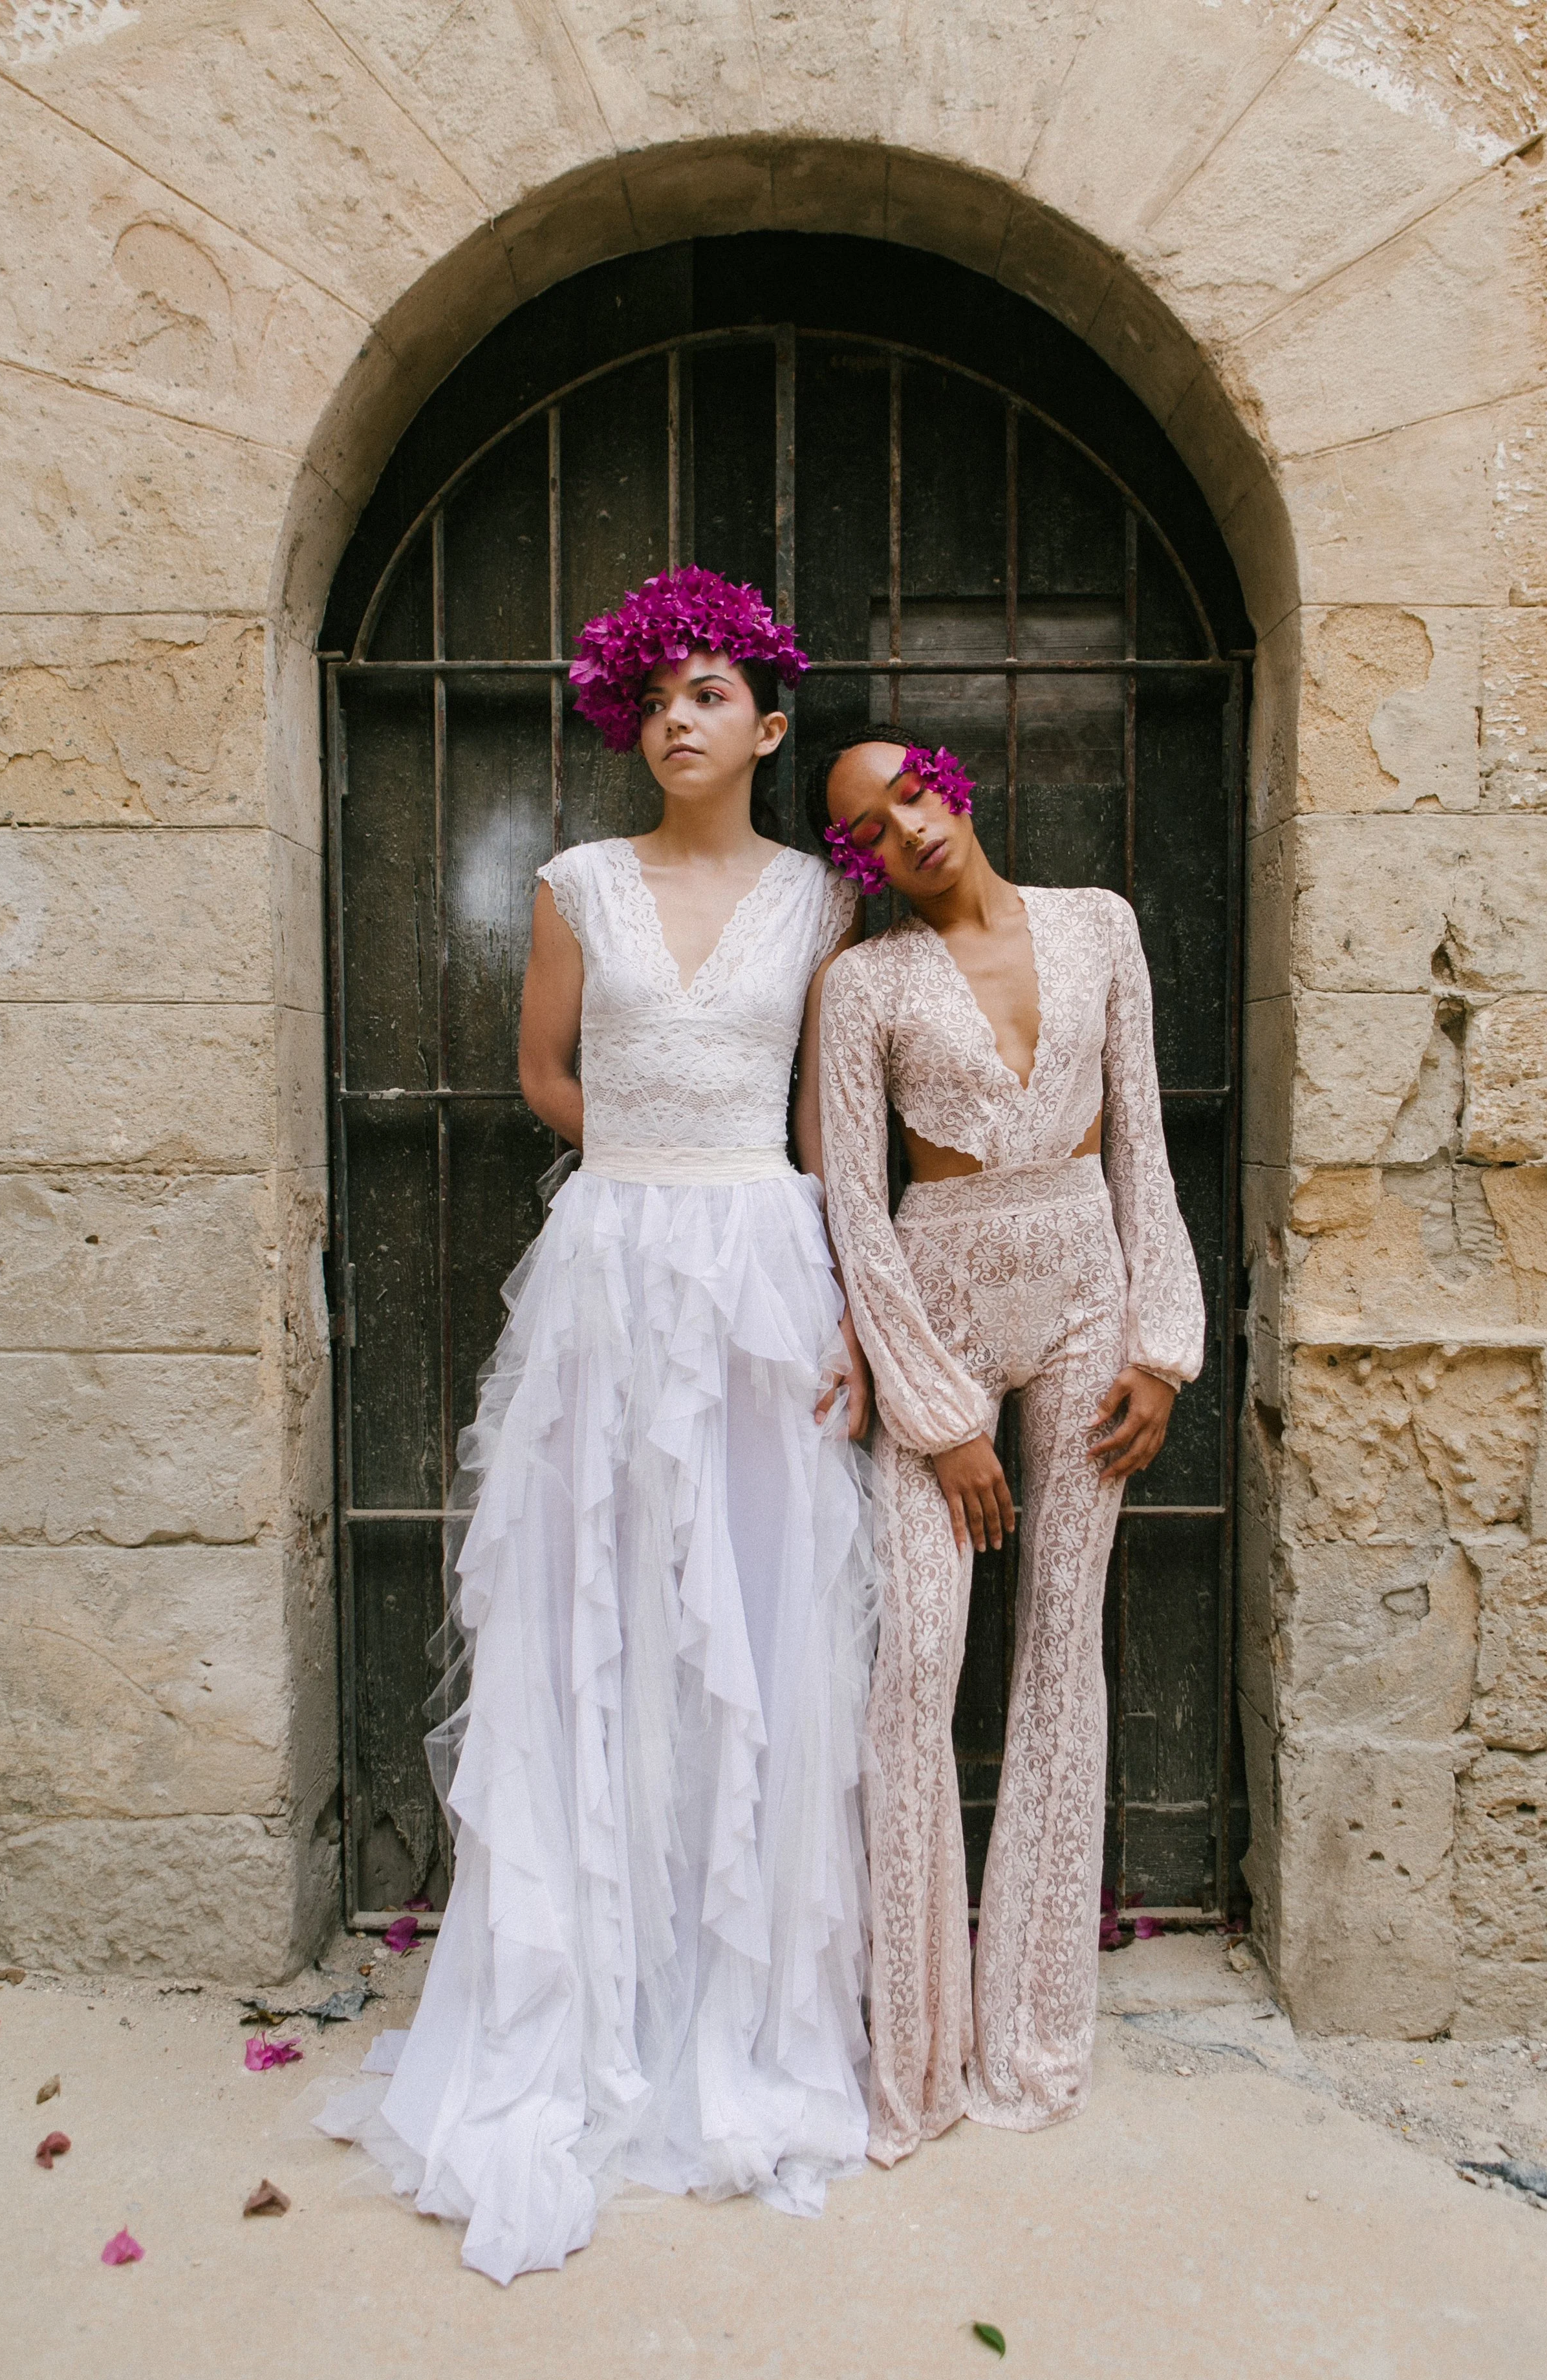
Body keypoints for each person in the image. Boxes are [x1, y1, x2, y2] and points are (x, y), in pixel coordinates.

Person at [319, 570, 875, 2282]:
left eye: (707, 694)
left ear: (768, 726)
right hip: (611, 1268)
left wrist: (832, 1283)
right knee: (594, 1604)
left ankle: (736, 1998)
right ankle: (589, 1998)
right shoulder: (576, 884)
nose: (674, 720)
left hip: (767, 1268)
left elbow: (822, 1118)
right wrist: (641, 1173)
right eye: (653, 698)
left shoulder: (820, 901)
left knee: (752, 1614)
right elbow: (544, 1070)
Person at [810, 726, 1204, 2167]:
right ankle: (915, 2057)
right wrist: (939, 1418)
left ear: (951, 781)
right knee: (918, 1663)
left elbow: (1142, 1142)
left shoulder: (1099, 925)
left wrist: (1161, 1344)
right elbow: (855, 1208)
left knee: (1059, 1650)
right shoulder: (862, 986)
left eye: (910, 792)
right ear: (859, 862)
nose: (903, 828)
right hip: (944, 1312)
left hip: (1091, 1296)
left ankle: (1032, 2032)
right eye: (868, 828)